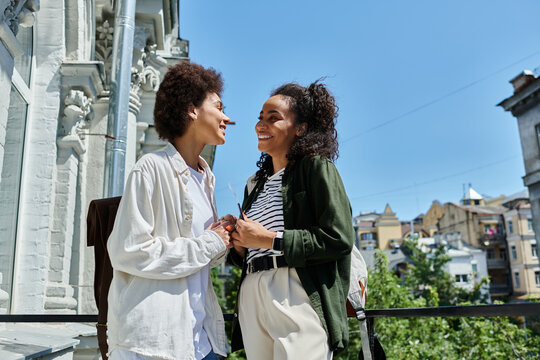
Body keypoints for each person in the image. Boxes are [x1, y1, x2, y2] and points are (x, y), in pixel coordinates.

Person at [106, 62, 234, 360]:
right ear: (192, 110)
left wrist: (225, 238)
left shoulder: (206, 179)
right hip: (152, 344)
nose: (226, 117)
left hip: (200, 343)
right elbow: (129, 251)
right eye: (218, 106)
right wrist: (209, 243)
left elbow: (197, 260)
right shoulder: (151, 168)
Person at [228, 81, 355, 359]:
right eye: (260, 118)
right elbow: (253, 247)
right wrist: (238, 241)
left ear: (301, 128)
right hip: (252, 292)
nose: (261, 125)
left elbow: (339, 237)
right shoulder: (255, 184)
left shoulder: (316, 167)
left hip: (297, 289)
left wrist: (267, 239)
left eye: (273, 118)